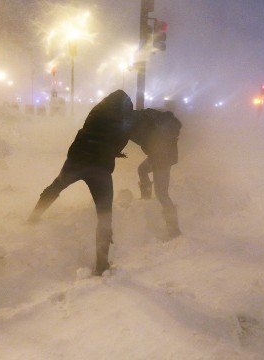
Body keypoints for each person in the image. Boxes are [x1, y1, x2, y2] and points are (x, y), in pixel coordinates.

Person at [27, 89, 134, 276]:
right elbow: (120, 141)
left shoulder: (97, 110)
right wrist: (114, 150)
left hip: (77, 160)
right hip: (99, 167)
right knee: (104, 215)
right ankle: (101, 265)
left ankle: (33, 217)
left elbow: (88, 130)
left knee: (56, 186)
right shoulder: (124, 120)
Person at [129, 108, 182, 239]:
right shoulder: (141, 117)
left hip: (162, 157)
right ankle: (146, 199)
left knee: (162, 194)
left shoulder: (137, 123)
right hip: (158, 154)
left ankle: (174, 231)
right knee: (142, 169)